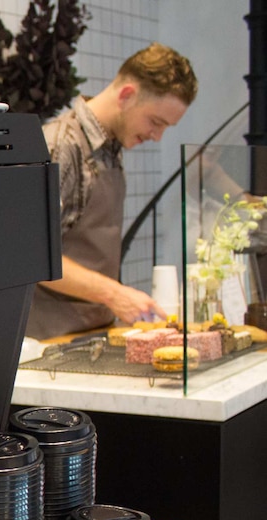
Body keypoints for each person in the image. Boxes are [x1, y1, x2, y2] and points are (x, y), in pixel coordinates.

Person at [26, 42, 199, 340]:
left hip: (92, 332)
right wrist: (113, 294)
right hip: (49, 340)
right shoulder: (60, 145)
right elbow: (30, 253)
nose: (157, 136)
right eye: (156, 122)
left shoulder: (110, 148)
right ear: (127, 95)